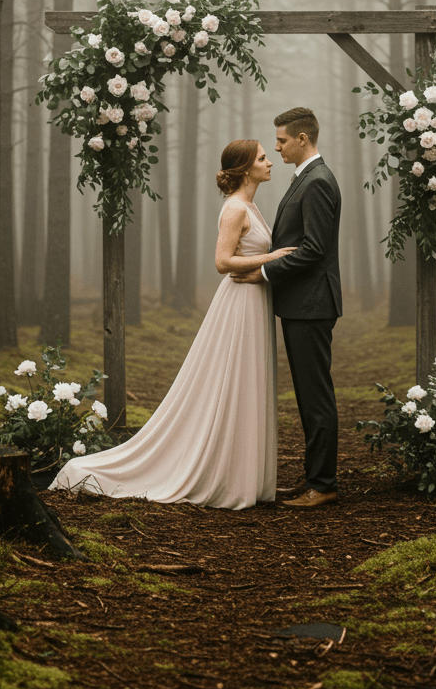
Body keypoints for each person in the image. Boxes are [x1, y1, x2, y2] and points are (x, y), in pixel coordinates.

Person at [49, 140, 294, 510]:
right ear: (245, 169)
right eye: (262, 158)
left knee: (248, 381)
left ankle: (243, 473)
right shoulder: (234, 209)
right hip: (239, 303)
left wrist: (265, 268)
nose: (270, 161)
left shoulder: (252, 205)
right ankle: (219, 473)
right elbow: (222, 261)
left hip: (255, 298)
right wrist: (272, 257)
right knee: (232, 379)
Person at [233, 107, 342, 510]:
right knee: (308, 394)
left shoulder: (317, 182)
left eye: (280, 140)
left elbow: (314, 249)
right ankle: (315, 476)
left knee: (316, 396)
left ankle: (324, 484)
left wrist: (264, 273)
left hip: (312, 303)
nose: (276, 146)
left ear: (302, 139)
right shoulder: (307, 178)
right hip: (302, 303)